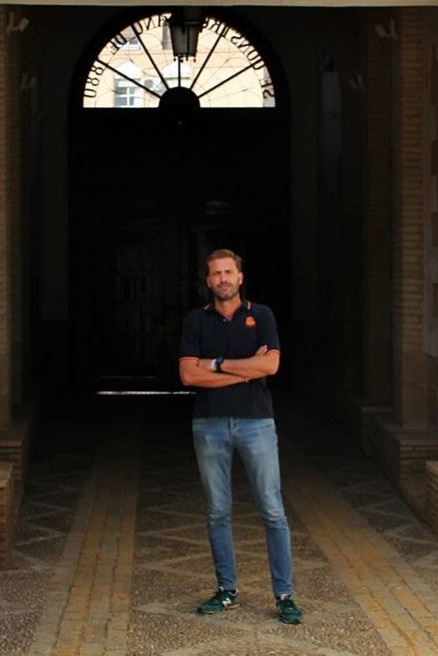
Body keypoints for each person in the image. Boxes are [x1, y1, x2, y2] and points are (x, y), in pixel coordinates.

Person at [178, 249, 303, 625]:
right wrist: (247, 371)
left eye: (228, 272)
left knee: (272, 509)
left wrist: (215, 365)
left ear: (240, 276)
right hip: (209, 424)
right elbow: (188, 376)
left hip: (256, 423)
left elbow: (272, 364)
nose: (222, 279)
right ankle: (226, 589)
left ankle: (284, 595)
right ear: (208, 280)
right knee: (218, 511)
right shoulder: (195, 321)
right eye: (215, 274)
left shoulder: (261, 315)